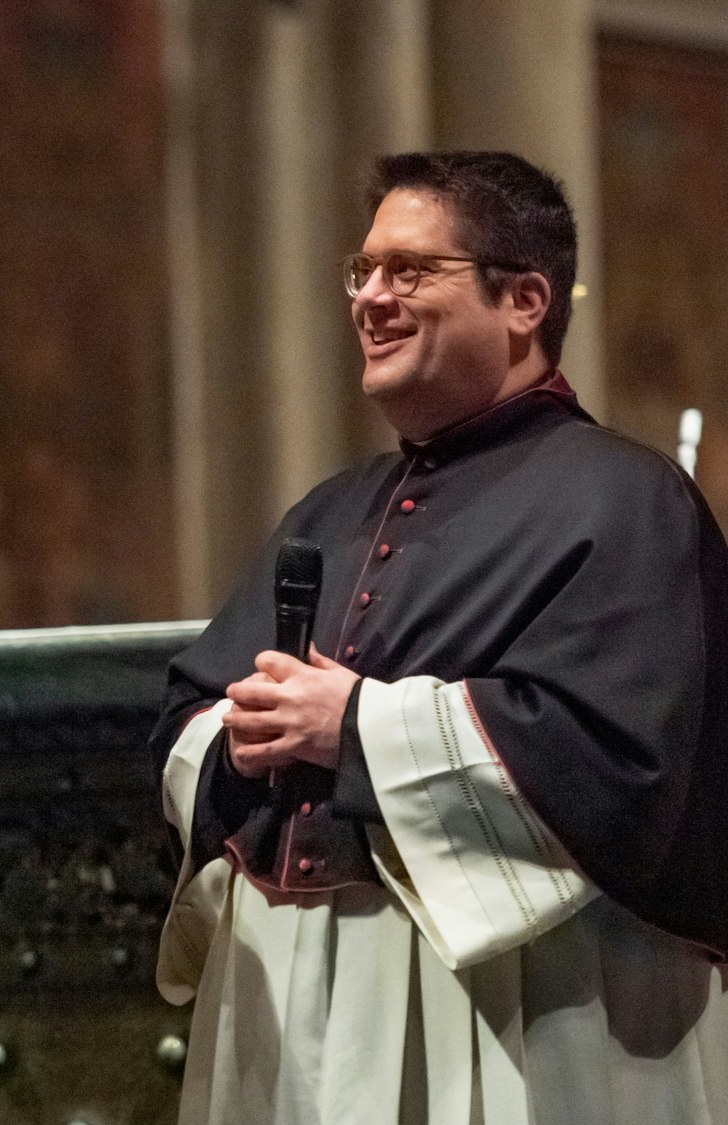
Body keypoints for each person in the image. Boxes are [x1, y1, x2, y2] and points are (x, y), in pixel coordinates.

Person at [151, 150, 728, 1124]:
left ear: (523, 301)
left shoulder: (624, 502)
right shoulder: (326, 513)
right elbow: (188, 713)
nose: (369, 297)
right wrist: (236, 741)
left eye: (409, 270)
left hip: (524, 1011)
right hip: (289, 1008)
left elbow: (619, 765)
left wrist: (356, 729)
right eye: (360, 271)